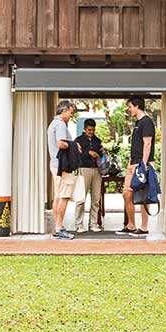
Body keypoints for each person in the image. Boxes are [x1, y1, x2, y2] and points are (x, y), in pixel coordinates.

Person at [122, 95, 156, 235]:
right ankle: (131, 225)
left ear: (137, 106)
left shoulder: (146, 122)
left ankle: (143, 227)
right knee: (126, 194)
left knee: (143, 196)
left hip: (141, 165)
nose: (129, 110)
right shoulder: (137, 123)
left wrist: (144, 164)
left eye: (130, 107)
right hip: (134, 164)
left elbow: (147, 143)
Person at [47, 99, 79, 238]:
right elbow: (60, 143)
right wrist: (74, 146)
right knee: (64, 196)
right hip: (62, 166)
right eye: (70, 113)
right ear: (64, 111)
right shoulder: (60, 125)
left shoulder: (53, 123)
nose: (71, 116)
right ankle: (59, 228)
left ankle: (58, 226)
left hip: (55, 164)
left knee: (58, 196)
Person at [73, 118, 105, 232]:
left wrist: (102, 152)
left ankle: (93, 224)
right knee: (81, 198)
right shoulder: (78, 140)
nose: (91, 132)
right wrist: (88, 153)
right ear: (85, 128)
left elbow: (101, 155)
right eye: (89, 130)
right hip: (83, 169)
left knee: (96, 199)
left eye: (93, 130)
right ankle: (79, 224)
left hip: (97, 171)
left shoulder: (98, 140)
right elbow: (74, 154)